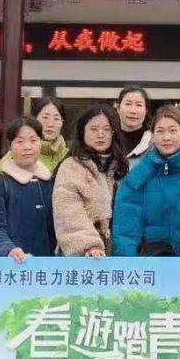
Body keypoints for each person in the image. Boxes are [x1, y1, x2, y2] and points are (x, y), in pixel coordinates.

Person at [111, 105, 180, 257]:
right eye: (160, 131)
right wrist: (130, 264)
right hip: (151, 262)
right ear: (152, 135)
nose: (166, 137)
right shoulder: (139, 173)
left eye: (173, 130)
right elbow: (126, 229)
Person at [53, 103, 128, 257]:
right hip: (85, 255)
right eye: (93, 129)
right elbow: (69, 212)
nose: (101, 135)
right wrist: (89, 245)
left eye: (106, 129)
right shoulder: (71, 167)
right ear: (82, 132)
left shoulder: (121, 167)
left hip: (118, 253)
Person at [0, 115, 57, 260]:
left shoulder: (51, 181)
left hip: (51, 266)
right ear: (10, 146)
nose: (27, 147)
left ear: (41, 143)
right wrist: (8, 249)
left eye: (33, 140)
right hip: (15, 264)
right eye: (20, 141)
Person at [29, 98, 68, 173]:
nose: (50, 124)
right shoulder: (19, 154)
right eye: (45, 117)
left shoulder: (70, 157)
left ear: (62, 123)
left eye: (56, 118)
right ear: (34, 119)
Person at [115, 86, 153, 162]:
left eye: (139, 105)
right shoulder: (107, 139)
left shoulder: (155, 142)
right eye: (128, 104)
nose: (133, 111)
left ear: (146, 110)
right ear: (118, 108)